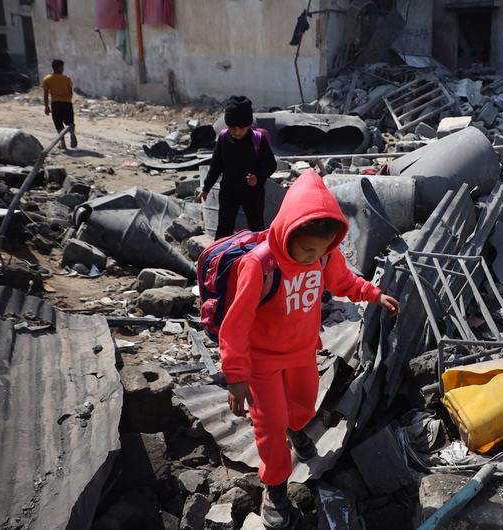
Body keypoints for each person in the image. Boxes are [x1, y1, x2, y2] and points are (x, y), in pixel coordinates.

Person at [219, 170, 401, 528]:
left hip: (302, 351)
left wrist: (373, 294)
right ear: (288, 231)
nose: (312, 257)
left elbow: (343, 281)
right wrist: (236, 376)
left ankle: (295, 428)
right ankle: (274, 488)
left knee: (303, 406)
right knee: (270, 425)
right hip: (262, 362)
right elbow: (235, 324)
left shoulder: (323, 256)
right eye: (306, 249)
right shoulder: (259, 265)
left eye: (321, 250)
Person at [196, 96, 276, 238]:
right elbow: (216, 165)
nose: (237, 132)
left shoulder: (258, 140)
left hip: (253, 192)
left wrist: (258, 178)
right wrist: (206, 188)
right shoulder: (223, 139)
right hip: (229, 191)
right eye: (232, 127)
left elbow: (271, 165)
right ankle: (219, 251)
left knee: (256, 225)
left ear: (248, 125)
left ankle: (257, 250)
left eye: (241, 128)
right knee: (224, 227)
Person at [42, 59, 78, 149]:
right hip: (67, 103)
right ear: (58, 67)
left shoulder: (47, 79)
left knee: (58, 124)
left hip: (55, 104)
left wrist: (46, 106)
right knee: (70, 122)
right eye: (62, 67)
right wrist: (67, 98)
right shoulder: (67, 78)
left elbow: (46, 94)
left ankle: (63, 144)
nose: (63, 69)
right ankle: (72, 134)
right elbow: (70, 91)